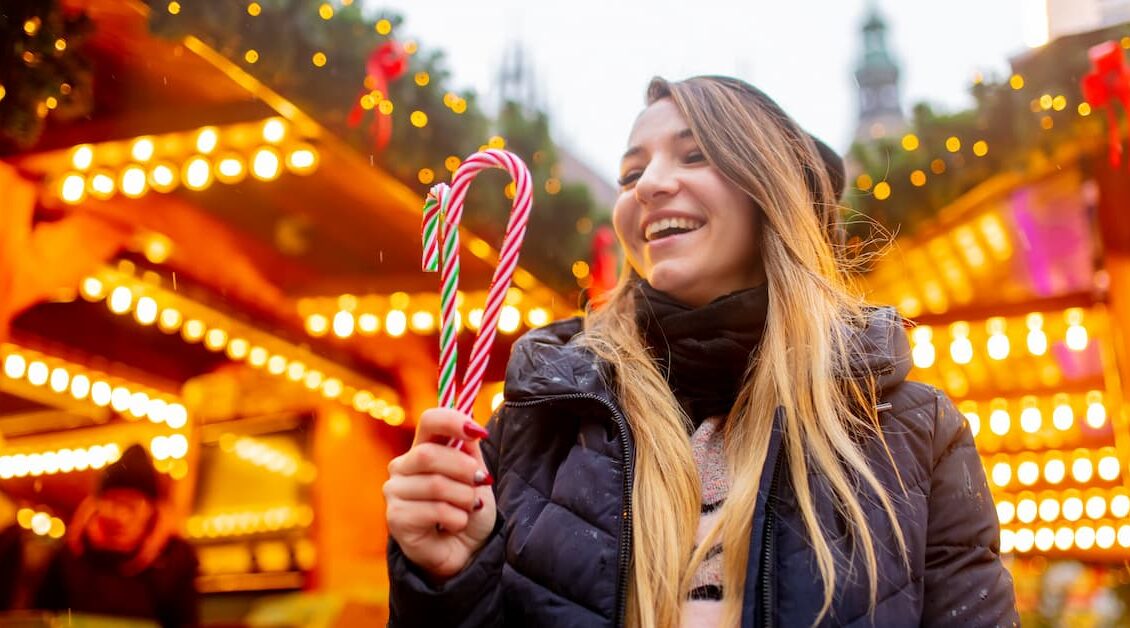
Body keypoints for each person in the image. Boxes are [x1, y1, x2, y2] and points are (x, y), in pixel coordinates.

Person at [384, 75, 1019, 627]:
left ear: (772, 193)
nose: (649, 186)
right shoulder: (534, 429)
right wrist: (446, 581)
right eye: (631, 173)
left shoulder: (914, 431)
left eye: (696, 156)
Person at [34, 444, 199, 627]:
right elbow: (43, 614)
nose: (120, 514)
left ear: (151, 509)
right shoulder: (71, 553)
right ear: (98, 504)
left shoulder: (174, 557)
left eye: (131, 505)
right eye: (112, 503)